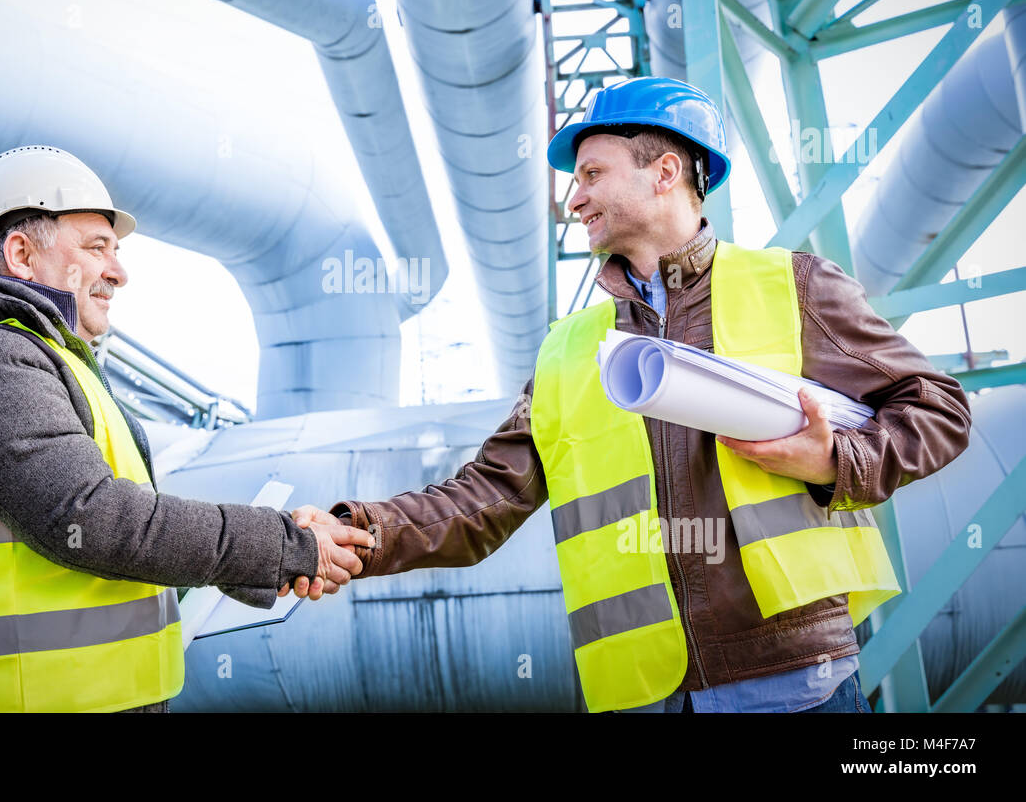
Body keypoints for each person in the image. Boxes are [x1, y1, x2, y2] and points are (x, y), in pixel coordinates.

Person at [283, 77, 973, 713]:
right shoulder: (568, 348)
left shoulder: (791, 285)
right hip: (642, 688)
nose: (572, 199)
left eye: (590, 174)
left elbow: (940, 409)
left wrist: (835, 464)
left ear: (664, 171)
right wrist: (359, 532)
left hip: (788, 679)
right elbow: (485, 497)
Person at [0, 144, 373, 713]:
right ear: (20, 253)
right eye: (96, 249)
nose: (119, 272)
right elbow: (91, 518)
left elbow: (122, 536)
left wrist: (274, 555)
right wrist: (281, 543)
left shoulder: (54, 363)